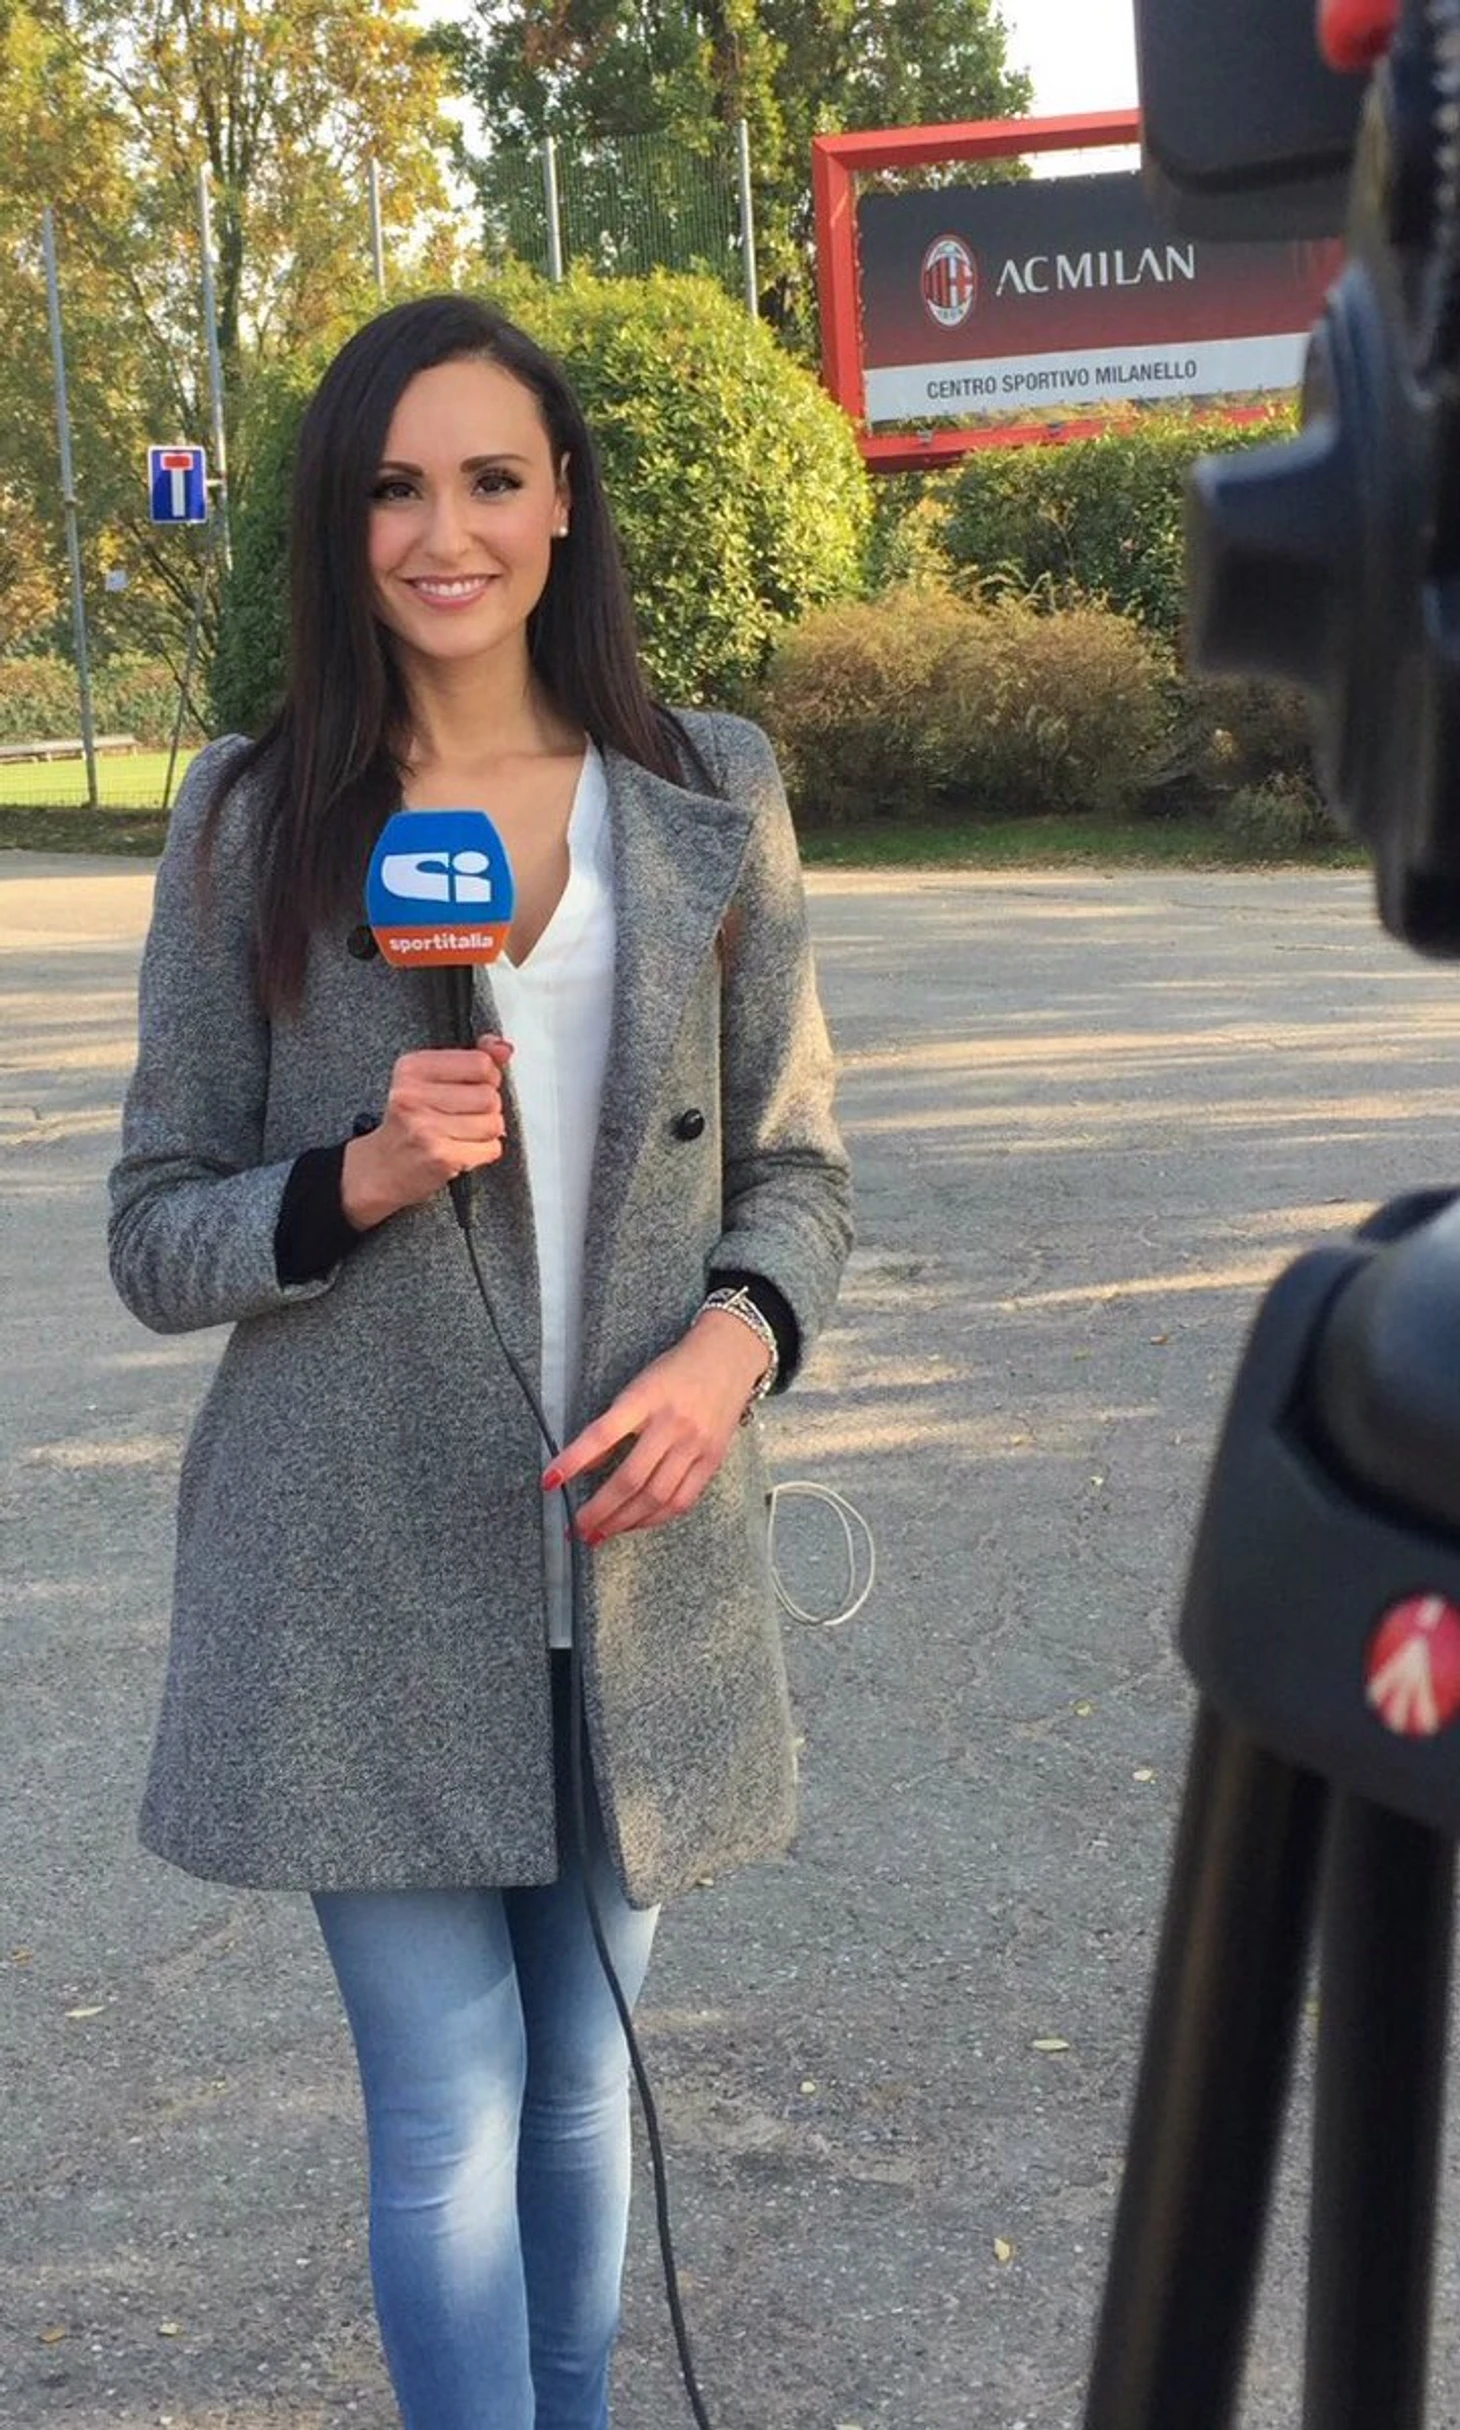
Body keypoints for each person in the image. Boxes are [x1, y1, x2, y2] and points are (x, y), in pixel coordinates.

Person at [107, 292, 852, 2430]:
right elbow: (153, 1227)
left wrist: (727, 1354)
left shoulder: (711, 790)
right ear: (340, 527)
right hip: (359, 1572)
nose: (446, 534)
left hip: (637, 1554)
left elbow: (799, 1171)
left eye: (492, 480)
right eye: (394, 488)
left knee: (586, 2084)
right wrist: (345, 1179)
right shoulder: (250, 819)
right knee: (447, 2100)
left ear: (564, 504)